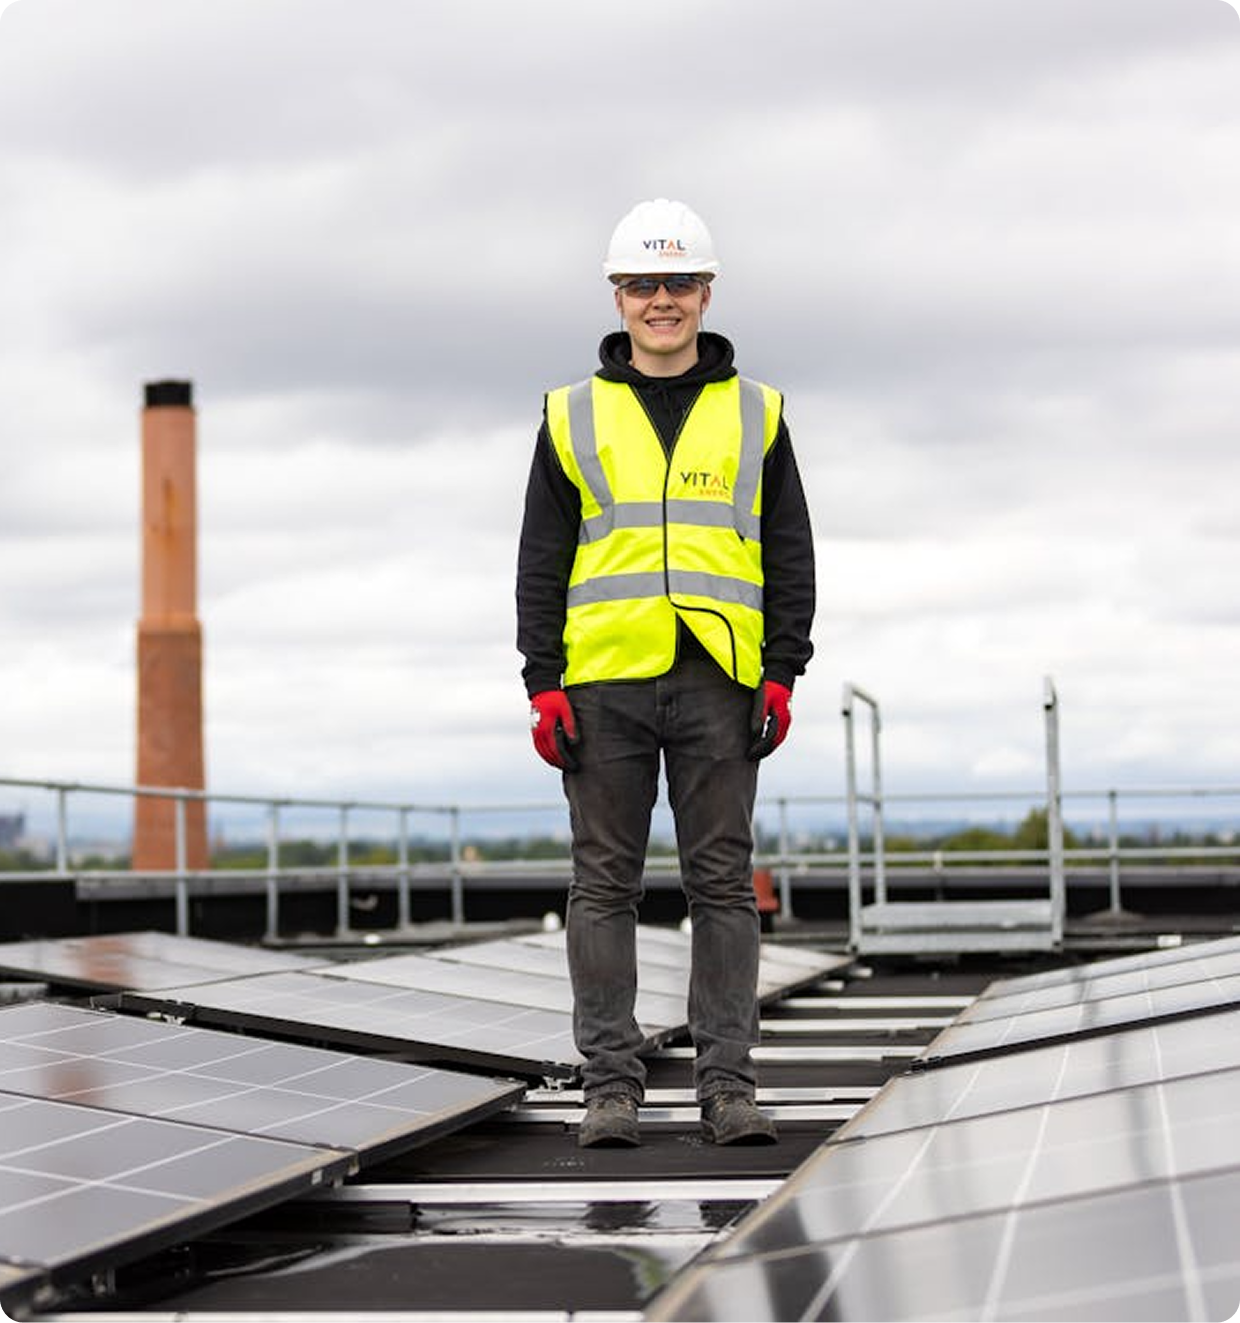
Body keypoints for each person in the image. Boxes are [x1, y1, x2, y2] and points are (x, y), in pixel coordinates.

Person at [516, 198, 815, 1148]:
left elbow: (788, 547)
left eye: (677, 283)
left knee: (721, 885)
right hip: (603, 683)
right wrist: (543, 680)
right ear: (617, 295)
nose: (661, 302)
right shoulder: (571, 414)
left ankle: (728, 1087)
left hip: (721, 682)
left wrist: (783, 669)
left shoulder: (757, 411)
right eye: (643, 285)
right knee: (603, 884)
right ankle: (612, 1086)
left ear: (706, 291)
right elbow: (542, 555)